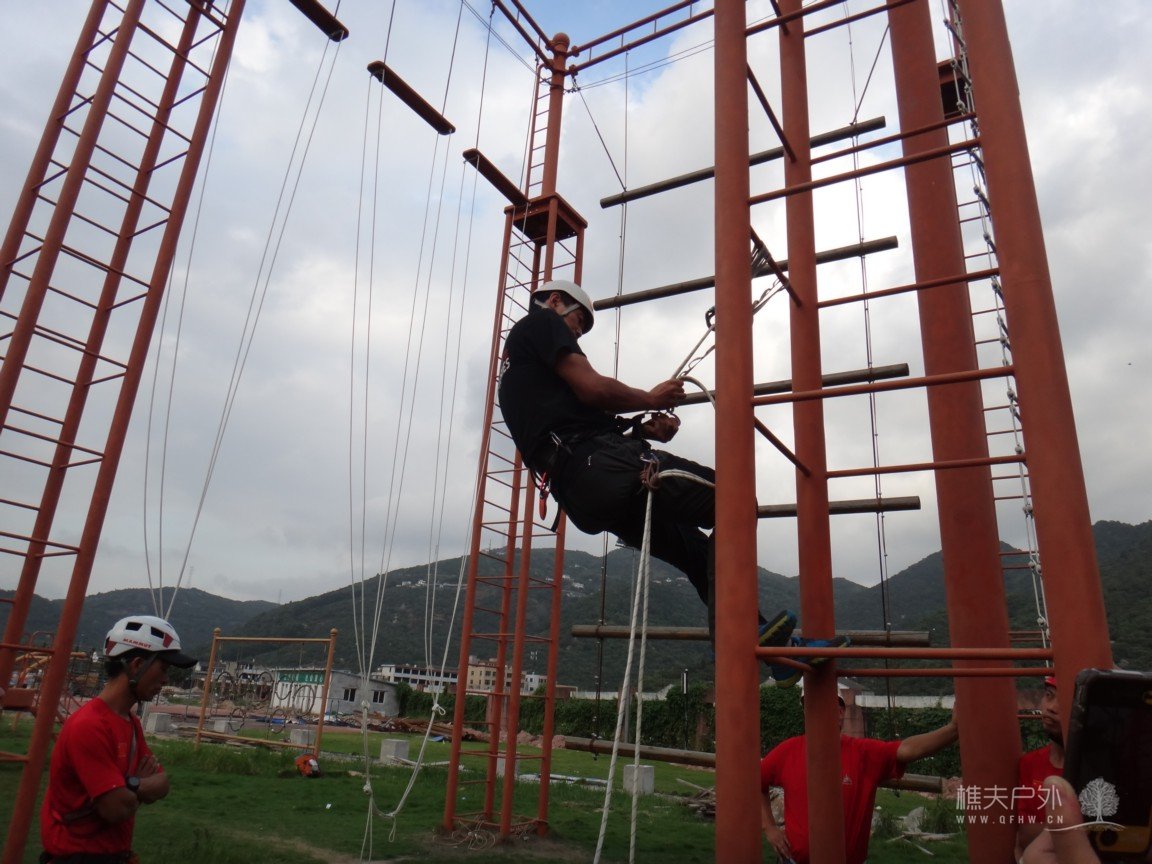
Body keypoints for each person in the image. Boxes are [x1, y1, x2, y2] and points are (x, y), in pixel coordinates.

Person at [497, 280, 838, 672]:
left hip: (582, 492)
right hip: (603, 466)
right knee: (736, 499)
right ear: (556, 301)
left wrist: (643, 430)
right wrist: (650, 398)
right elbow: (593, 389)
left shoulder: (518, 373)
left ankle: (770, 647)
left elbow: (574, 423)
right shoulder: (541, 323)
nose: (577, 334)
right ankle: (738, 635)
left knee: (696, 553)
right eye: (578, 323)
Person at [40, 614, 197, 863]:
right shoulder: (89, 726)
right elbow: (116, 809)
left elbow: (162, 783)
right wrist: (137, 784)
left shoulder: (130, 722)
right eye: (163, 669)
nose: (165, 679)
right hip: (78, 857)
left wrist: (127, 786)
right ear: (137, 665)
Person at [760, 693, 958, 864]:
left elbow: (907, 749)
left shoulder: (862, 753)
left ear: (840, 712)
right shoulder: (788, 751)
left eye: (823, 704)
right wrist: (769, 827)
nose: (815, 711)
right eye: (810, 706)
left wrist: (953, 729)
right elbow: (756, 782)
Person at [1017, 676, 1065, 855]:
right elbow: (1025, 833)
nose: (1051, 707)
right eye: (1049, 695)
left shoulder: (1099, 767)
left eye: (1065, 701)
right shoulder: (1030, 763)